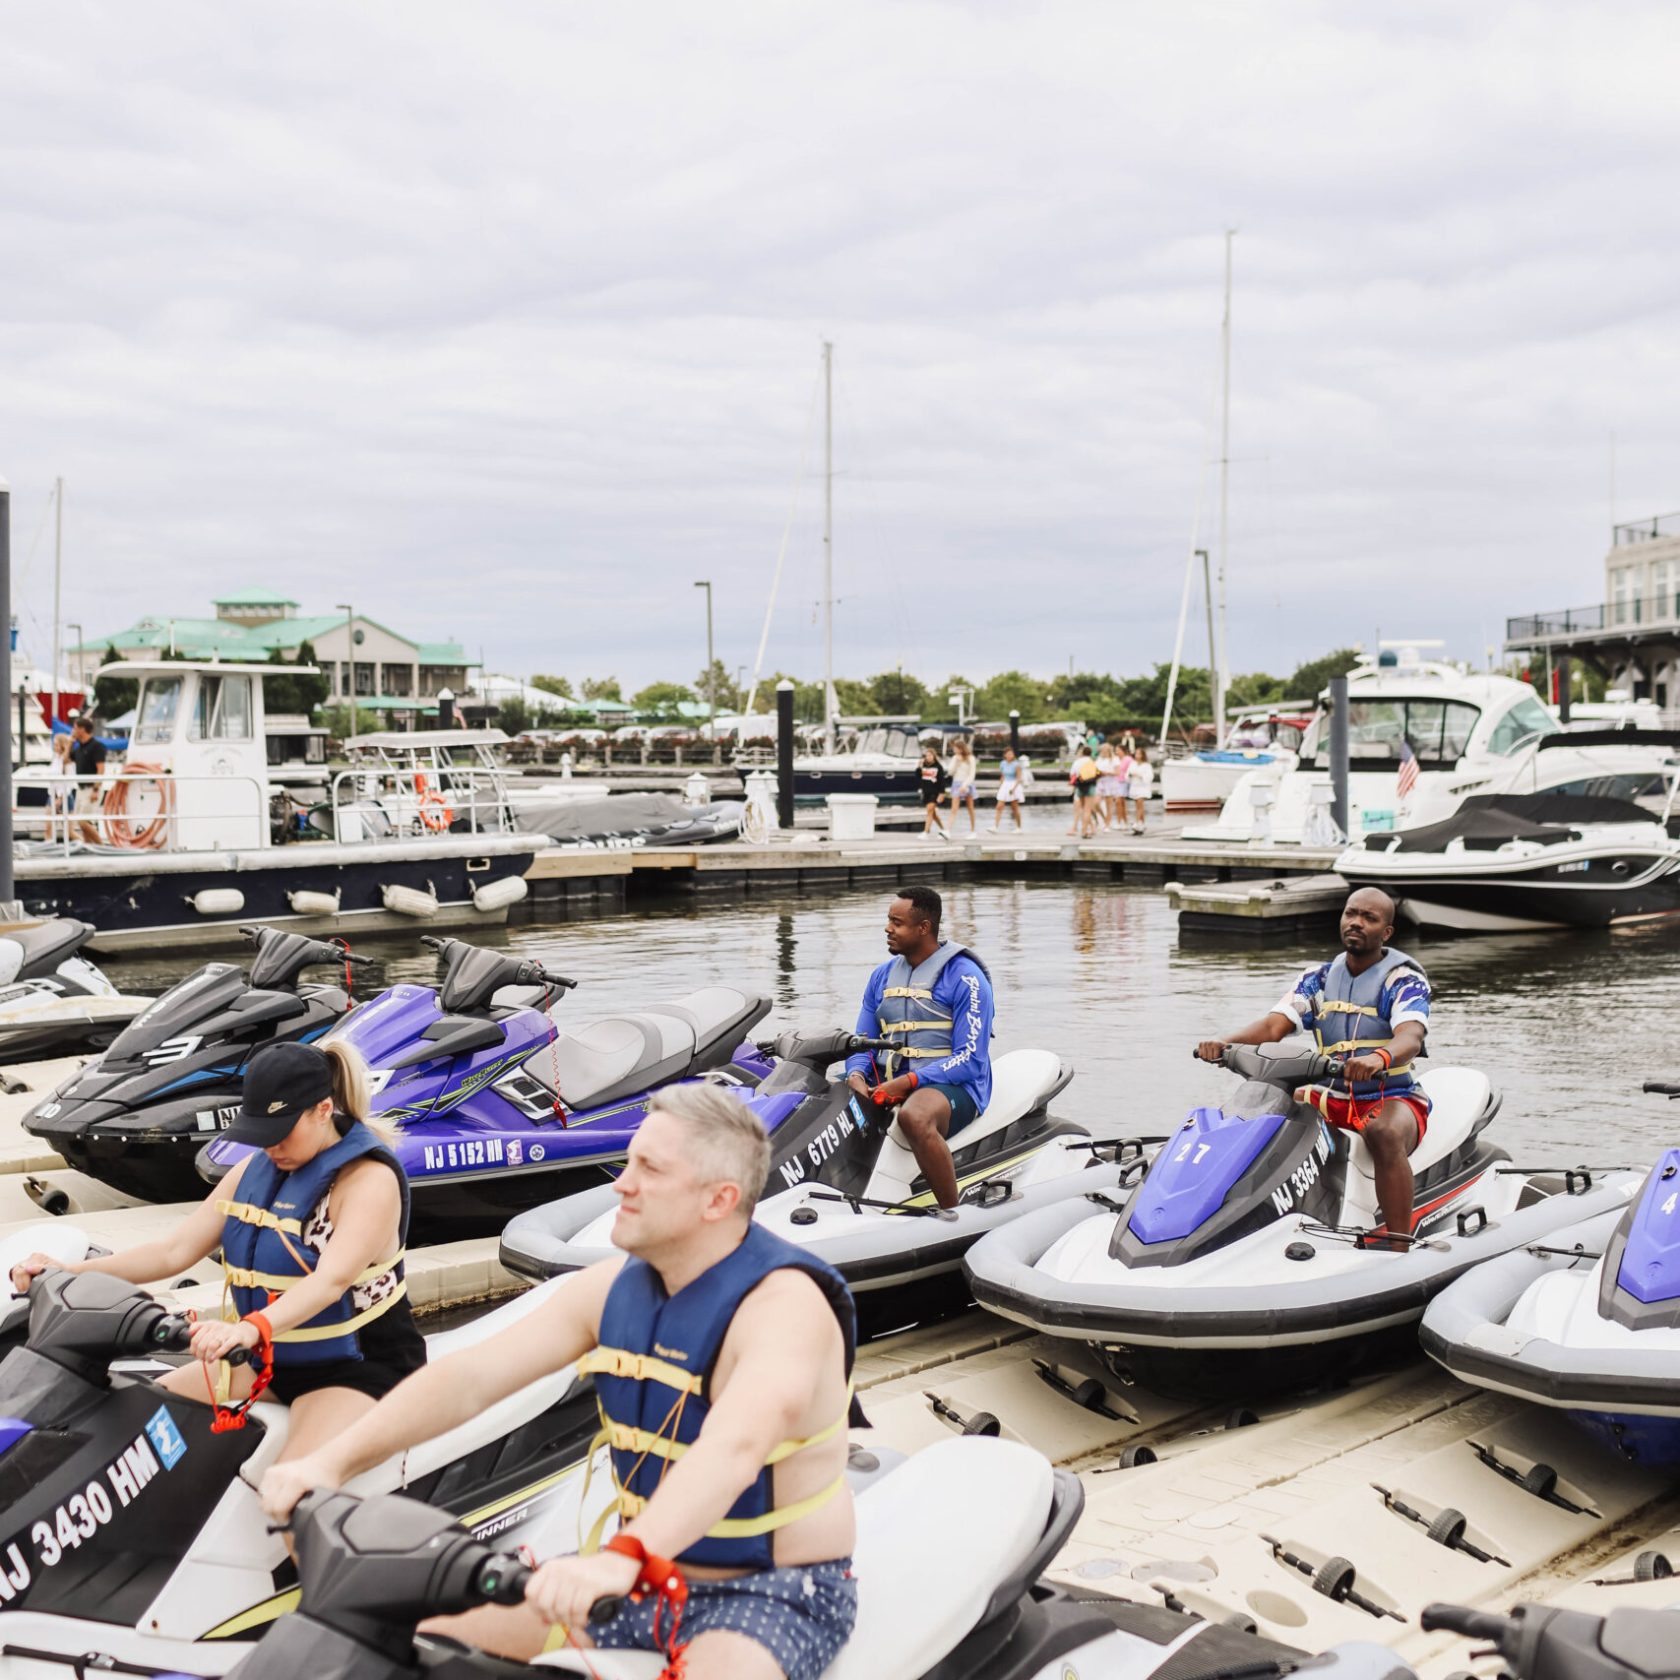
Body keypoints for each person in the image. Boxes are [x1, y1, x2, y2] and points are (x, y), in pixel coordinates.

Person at [261, 1085, 859, 1680]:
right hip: (634, 1576)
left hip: (768, 1593)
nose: (621, 1184)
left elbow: (733, 1451)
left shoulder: (785, 1309)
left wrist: (623, 1559)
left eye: (648, 1169)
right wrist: (328, 1464)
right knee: (407, 1647)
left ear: (718, 1199)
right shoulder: (611, 1290)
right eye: (629, 1162)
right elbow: (469, 1379)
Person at [8, 1039, 422, 1457]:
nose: (270, 1147)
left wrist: (246, 1329)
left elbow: (332, 1283)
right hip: (270, 1361)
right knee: (138, 1429)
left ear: (323, 1109)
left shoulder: (368, 1180)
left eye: (281, 1133)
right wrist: (64, 1271)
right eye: (262, 1134)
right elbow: (174, 1251)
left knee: (292, 1484)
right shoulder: (254, 1171)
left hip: (357, 1369)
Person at [1192, 887, 1430, 1241]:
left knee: (1384, 1134)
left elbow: (1410, 1036)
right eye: (1351, 914)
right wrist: (1226, 1043)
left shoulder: (1404, 980)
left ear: (1386, 932)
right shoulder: (1317, 980)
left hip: (1391, 1097)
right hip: (1332, 1094)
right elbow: (1273, 1027)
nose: (1356, 922)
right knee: (1265, 1113)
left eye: (1369, 918)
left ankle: (1398, 1243)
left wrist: (1377, 1058)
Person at [845, 885, 994, 1212]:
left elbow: (970, 1060)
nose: (888, 929)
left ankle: (952, 1212)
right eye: (889, 920)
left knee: (915, 1117)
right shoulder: (881, 977)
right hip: (892, 1082)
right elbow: (861, 1042)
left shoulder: (966, 979)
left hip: (955, 1087)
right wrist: (855, 1073)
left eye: (896, 923)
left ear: (923, 928)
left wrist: (910, 1082)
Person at [69, 715, 108, 843]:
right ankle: (88, 847)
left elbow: (101, 769)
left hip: (91, 788)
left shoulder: (97, 746)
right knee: (82, 822)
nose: (73, 731)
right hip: (81, 788)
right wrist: (70, 741)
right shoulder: (79, 748)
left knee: (83, 821)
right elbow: (66, 760)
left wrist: (96, 789)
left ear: (82, 729)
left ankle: (101, 846)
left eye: (75, 728)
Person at [917, 744, 950, 842]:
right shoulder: (923, 766)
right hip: (926, 792)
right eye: (927, 756)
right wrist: (919, 766)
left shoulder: (938, 767)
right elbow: (918, 776)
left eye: (930, 755)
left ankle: (926, 832)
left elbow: (942, 781)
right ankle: (943, 830)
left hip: (934, 792)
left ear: (934, 756)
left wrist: (942, 793)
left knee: (929, 810)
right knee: (933, 814)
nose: (928, 757)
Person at [46, 730, 74, 842]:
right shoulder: (55, 759)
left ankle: (85, 846)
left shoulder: (67, 762)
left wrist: (61, 798)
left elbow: (69, 783)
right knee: (48, 828)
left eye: (56, 744)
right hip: (52, 795)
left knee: (69, 832)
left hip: (64, 797)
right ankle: (48, 851)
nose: (55, 747)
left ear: (63, 745)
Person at [1066, 745, 1099, 837]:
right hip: (1090, 786)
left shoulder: (1077, 762)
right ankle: (1084, 830)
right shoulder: (1092, 762)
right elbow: (1097, 774)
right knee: (1087, 809)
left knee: (1081, 808)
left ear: (1082, 752)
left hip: (1080, 786)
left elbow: (1072, 775)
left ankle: (1083, 829)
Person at [948, 738, 978, 833]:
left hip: (967, 784)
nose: (954, 750)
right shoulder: (954, 758)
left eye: (955, 748)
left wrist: (965, 785)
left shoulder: (971, 758)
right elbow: (950, 772)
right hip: (956, 783)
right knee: (954, 809)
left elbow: (972, 774)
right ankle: (947, 830)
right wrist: (956, 762)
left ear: (961, 748)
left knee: (970, 808)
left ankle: (973, 831)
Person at [992, 745, 1024, 830]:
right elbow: (1002, 775)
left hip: (1014, 785)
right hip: (1005, 785)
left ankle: (1018, 827)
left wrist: (1013, 789)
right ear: (1005, 755)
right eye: (1008, 754)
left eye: (1011, 754)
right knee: (999, 806)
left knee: (1014, 807)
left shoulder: (1017, 765)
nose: (1010, 755)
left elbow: (1019, 778)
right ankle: (995, 826)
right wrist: (1001, 785)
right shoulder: (1002, 763)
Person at [1094, 740, 1120, 831]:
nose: (1103, 752)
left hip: (1110, 782)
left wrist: (1107, 773)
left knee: (1109, 805)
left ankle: (1107, 824)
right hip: (1100, 782)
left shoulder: (1114, 759)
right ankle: (1104, 819)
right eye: (1102, 750)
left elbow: (1117, 772)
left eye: (1105, 750)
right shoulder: (1099, 759)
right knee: (1095, 803)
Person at [1128, 745, 1153, 835]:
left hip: (1143, 787)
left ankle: (1138, 822)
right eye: (1136, 753)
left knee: (1140, 803)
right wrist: (1130, 775)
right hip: (1135, 786)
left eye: (1139, 754)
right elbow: (1128, 774)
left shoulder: (1147, 765)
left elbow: (1150, 776)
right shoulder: (1132, 764)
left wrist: (1140, 775)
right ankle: (1142, 823)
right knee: (1137, 805)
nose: (1137, 755)